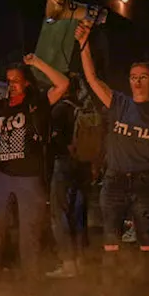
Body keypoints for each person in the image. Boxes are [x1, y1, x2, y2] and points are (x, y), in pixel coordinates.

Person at [75, 20, 149, 296]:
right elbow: (92, 79)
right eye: (133, 77)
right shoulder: (118, 103)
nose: (137, 82)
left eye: (143, 77)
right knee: (110, 245)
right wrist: (83, 43)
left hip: (144, 182)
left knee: (147, 246)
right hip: (114, 182)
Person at [0, 54, 69, 296]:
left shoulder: (37, 102)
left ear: (27, 82)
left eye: (16, 80)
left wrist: (37, 63)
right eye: (8, 81)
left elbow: (63, 84)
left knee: (29, 235)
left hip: (29, 177)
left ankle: (32, 290)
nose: (11, 85)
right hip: (2, 176)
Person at [47, 73, 100, 279]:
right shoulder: (85, 108)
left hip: (65, 164)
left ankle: (68, 263)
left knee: (59, 213)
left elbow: (56, 140)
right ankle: (81, 260)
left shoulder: (60, 109)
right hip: (84, 165)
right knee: (79, 213)